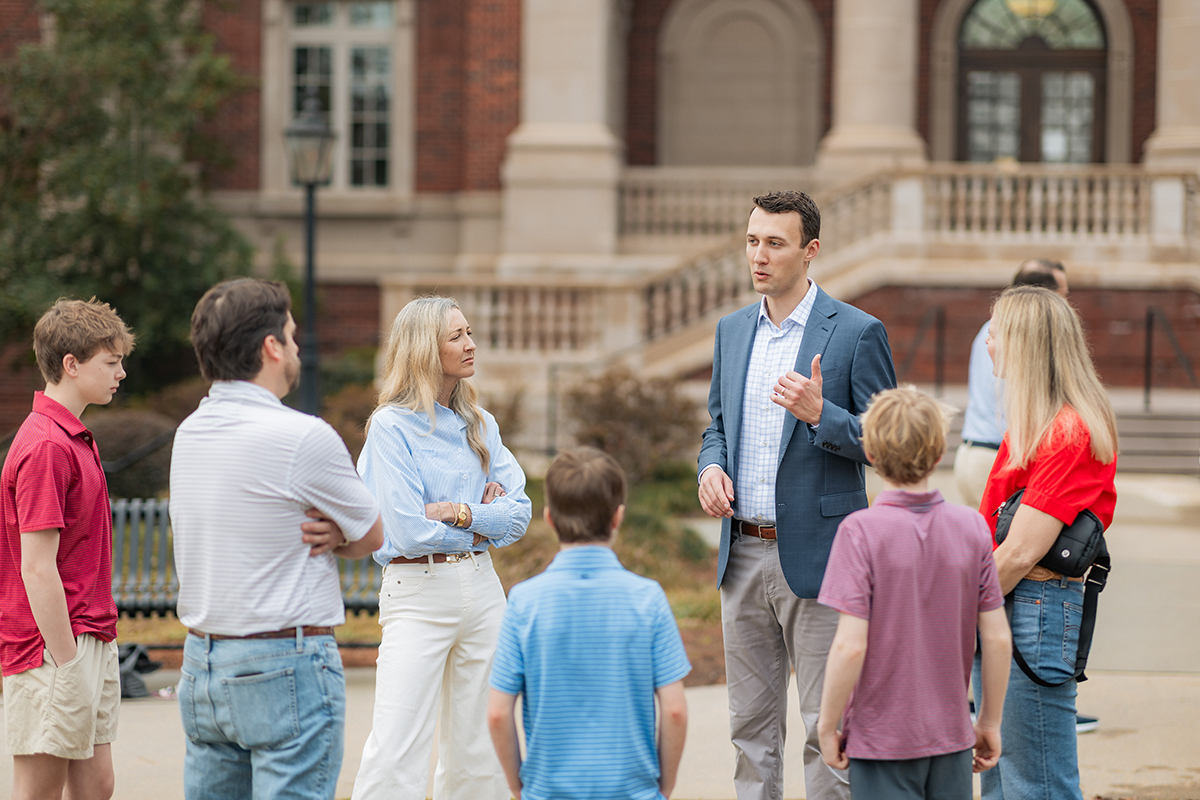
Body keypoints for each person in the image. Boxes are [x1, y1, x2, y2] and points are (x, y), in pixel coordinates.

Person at [697, 190, 897, 800]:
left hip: (825, 557)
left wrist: (821, 415)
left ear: (810, 251)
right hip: (743, 555)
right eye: (753, 241)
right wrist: (710, 468)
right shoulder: (732, 331)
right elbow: (716, 427)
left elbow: (891, 444)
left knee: (826, 728)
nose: (759, 256)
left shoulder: (858, 332)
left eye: (775, 244)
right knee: (749, 731)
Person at [169, 279, 384, 800]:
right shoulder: (302, 436)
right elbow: (374, 533)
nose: (294, 348)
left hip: (203, 662)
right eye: (290, 336)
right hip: (286, 661)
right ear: (270, 348)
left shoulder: (189, 433)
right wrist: (338, 537)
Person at [351, 296, 531, 800]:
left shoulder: (481, 424)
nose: (471, 343)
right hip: (417, 590)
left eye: (469, 332)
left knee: (482, 746)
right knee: (397, 743)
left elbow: (519, 514)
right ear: (425, 348)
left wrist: (459, 512)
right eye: (457, 336)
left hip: (483, 587)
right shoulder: (390, 427)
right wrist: (483, 521)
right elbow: (407, 532)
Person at [816, 387, 1012, 800]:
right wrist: (989, 722)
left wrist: (827, 724)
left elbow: (850, 647)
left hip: (880, 740)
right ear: (939, 452)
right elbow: (995, 637)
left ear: (869, 448)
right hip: (952, 737)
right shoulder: (973, 528)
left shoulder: (859, 533)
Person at [975, 286, 1118, 800]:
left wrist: (950, 604)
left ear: (1028, 344)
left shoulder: (1067, 432)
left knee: (1034, 783)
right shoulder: (1040, 425)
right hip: (1011, 603)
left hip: (1029, 606)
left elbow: (1020, 550)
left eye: (997, 333)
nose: (988, 342)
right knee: (1003, 776)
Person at [487, 447, 691, 800]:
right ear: (618, 518)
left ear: (549, 518)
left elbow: (497, 714)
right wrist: (664, 787)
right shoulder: (648, 598)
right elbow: (674, 710)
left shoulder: (524, 601)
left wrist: (520, 788)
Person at [1, 299, 133, 800]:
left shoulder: (72, 436)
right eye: (111, 361)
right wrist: (67, 660)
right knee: (39, 791)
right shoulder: (46, 445)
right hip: (53, 645)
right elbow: (36, 569)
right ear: (71, 364)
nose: (122, 372)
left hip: (88, 634)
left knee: (96, 786)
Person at [955, 259, 1067, 510]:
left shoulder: (991, 330)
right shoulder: (1011, 336)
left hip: (975, 452)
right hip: (994, 456)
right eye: (1061, 295)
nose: (1066, 303)